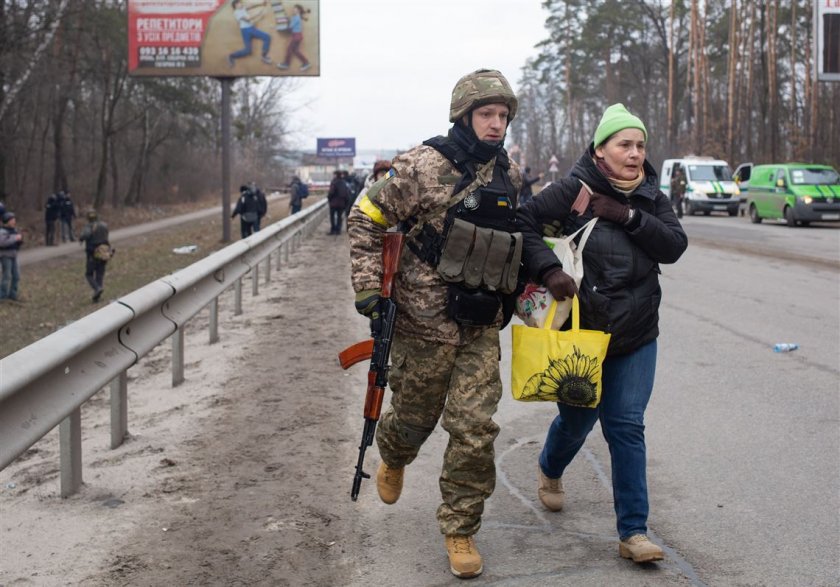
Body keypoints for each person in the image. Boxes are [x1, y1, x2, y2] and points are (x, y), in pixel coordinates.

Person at [347, 68, 523, 579]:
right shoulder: (423, 165)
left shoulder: (506, 173)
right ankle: (394, 454)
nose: (495, 124)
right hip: (424, 326)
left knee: (474, 429)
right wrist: (367, 289)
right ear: (464, 116)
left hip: (481, 325)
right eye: (486, 114)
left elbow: (517, 234)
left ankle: (460, 528)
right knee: (414, 419)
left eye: (503, 116)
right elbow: (366, 218)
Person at [516, 103, 688, 564]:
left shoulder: (652, 196)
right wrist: (549, 269)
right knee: (577, 421)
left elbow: (674, 247)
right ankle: (550, 468)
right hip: (582, 334)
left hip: (636, 335)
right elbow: (523, 223)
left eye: (640, 145)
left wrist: (627, 216)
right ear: (600, 150)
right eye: (624, 145)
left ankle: (633, 532)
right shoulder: (573, 189)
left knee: (626, 426)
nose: (635, 154)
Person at [228, 0, 274, 68]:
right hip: (245, 31)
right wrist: (259, 13)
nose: (241, 4)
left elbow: (251, 6)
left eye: (240, 3)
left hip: (251, 28)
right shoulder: (236, 13)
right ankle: (231, 56)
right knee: (248, 51)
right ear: (236, 6)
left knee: (267, 37)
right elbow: (247, 19)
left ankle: (264, 56)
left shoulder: (242, 8)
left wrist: (261, 3)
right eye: (239, 4)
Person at [79, 209, 111, 302]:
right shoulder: (104, 225)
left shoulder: (89, 226)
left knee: (89, 274)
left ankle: (97, 288)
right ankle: (98, 295)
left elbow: (85, 235)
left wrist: (81, 238)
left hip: (92, 253)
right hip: (104, 252)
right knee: (100, 274)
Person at [276, 3, 311, 71]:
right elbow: (291, 23)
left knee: (289, 49)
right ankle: (306, 63)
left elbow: (290, 27)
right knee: (295, 51)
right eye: (293, 8)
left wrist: (280, 26)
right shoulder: (295, 17)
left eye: (295, 9)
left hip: (297, 36)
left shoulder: (297, 18)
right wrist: (286, 20)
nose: (293, 10)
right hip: (297, 36)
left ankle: (286, 64)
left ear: (298, 10)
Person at [0, 212, 23, 302]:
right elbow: (2, 243)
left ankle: (13, 294)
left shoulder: (14, 230)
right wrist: (15, 238)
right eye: (12, 220)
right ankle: (2, 295)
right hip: (5, 256)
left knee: (16, 275)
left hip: (14, 255)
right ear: (7, 221)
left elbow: (15, 243)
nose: (14, 221)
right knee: (7, 276)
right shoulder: (2, 232)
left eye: (14, 220)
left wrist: (19, 241)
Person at [326, 170, 349, 235]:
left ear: (336, 175)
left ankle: (333, 230)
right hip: (341, 203)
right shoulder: (344, 183)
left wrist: (329, 199)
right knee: (339, 217)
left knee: (332, 217)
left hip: (333, 203)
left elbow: (331, 192)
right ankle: (338, 230)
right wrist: (346, 203)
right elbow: (346, 194)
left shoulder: (334, 182)